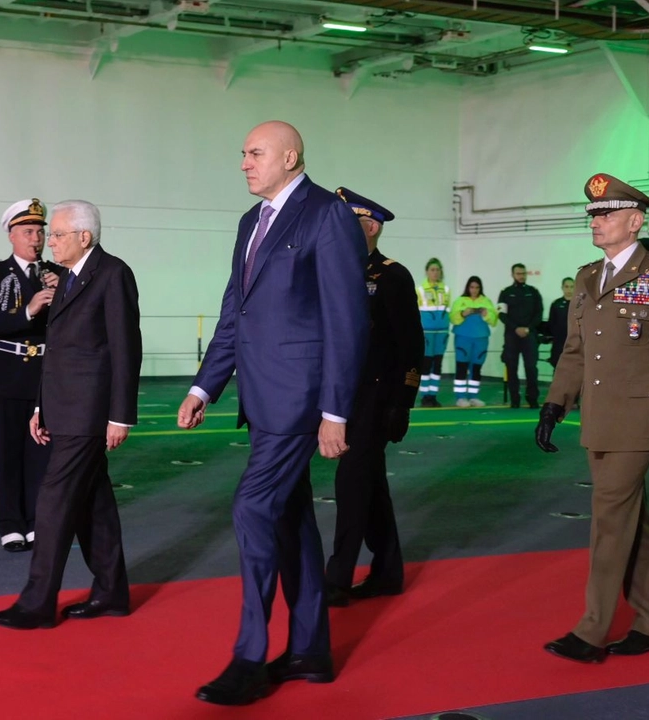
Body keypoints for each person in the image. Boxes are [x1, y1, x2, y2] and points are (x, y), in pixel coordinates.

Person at [177, 121, 369, 706]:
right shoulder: (249, 223)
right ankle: (310, 651)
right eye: (242, 153)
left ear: (290, 156)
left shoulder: (326, 215)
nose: (244, 163)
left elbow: (347, 321)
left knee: (252, 507)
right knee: (291, 521)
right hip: (261, 400)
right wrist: (205, 387)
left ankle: (249, 658)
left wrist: (335, 410)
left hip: (301, 400)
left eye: (254, 153)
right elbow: (235, 313)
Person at [536, 173, 649, 663]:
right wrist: (555, 403)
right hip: (599, 418)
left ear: (634, 222)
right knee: (634, 523)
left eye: (607, 214)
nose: (597, 221)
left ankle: (591, 632)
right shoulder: (590, 276)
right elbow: (575, 351)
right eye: (593, 214)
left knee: (610, 520)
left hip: (641, 418)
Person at [0, 199, 141, 630]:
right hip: (63, 407)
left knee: (52, 502)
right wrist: (41, 406)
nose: (48, 241)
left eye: (56, 234)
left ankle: (37, 603)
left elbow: (125, 348)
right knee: (95, 505)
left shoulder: (112, 274)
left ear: (84, 237)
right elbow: (55, 352)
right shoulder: (69, 278)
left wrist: (121, 415)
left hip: (89, 414)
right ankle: (111, 593)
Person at [322, 188, 422, 608]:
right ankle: (387, 571)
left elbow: (411, 346)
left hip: (376, 397)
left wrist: (403, 403)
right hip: (342, 396)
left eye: (349, 222)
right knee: (369, 484)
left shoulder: (391, 276)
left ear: (371, 226)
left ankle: (338, 577)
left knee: (351, 483)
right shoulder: (335, 270)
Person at [0, 199, 62, 552]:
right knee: (8, 452)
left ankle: (38, 520)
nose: (36, 239)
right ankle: (10, 522)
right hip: (4, 376)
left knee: (41, 451)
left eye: (40, 232)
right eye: (28, 232)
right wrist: (30, 308)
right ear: (11, 235)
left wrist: (65, 292)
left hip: (43, 376)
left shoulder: (58, 272)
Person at [498, 262, 543, 408]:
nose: (521, 276)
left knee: (531, 368)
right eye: (518, 274)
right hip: (512, 336)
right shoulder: (505, 293)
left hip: (529, 336)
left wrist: (528, 329)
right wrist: (516, 328)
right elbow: (501, 315)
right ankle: (514, 399)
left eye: (523, 273)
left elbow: (539, 313)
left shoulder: (533, 292)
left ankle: (532, 399)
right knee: (512, 368)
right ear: (512, 275)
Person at [448, 277, 497, 407]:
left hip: (481, 339)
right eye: (472, 287)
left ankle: (474, 397)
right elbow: (452, 318)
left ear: (480, 288)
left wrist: (486, 314)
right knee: (462, 367)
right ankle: (460, 397)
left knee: (476, 368)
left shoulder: (486, 301)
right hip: (463, 338)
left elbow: (494, 320)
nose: (474, 290)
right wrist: (463, 314)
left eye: (477, 287)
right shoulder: (460, 301)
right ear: (467, 287)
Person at [417, 258, 450, 407]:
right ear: (427, 272)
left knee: (437, 364)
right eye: (432, 269)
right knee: (426, 364)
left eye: (437, 269)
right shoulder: (420, 290)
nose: (435, 272)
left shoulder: (446, 289)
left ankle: (433, 395)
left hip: (442, 332)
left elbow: (447, 310)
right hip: (427, 333)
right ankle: (425, 396)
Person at [546, 277, 575, 367]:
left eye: (571, 287)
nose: (569, 289)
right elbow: (551, 323)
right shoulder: (556, 304)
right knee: (557, 367)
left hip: (575, 342)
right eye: (566, 287)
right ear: (562, 288)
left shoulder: (580, 304)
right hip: (559, 342)